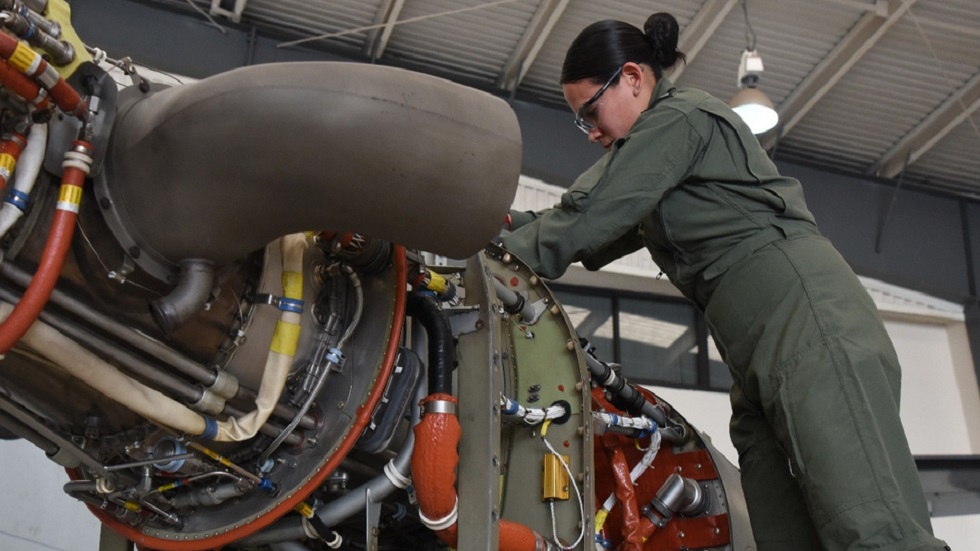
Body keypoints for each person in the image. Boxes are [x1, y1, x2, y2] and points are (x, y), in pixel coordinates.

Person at [499, 12, 950, 551]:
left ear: (635, 78)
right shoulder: (648, 160)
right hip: (755, 358)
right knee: (783, 534)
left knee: (873, 530)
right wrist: (492, 224)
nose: (591, 131)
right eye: (582, 121)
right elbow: (583, 229)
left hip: (809, 329)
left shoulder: (679, 120)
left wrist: (475, 240)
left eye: (591, 111)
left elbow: (585, 221)